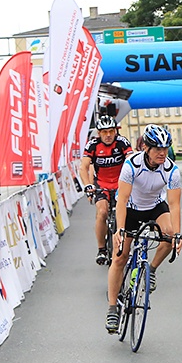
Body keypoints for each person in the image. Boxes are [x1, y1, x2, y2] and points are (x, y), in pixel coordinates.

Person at [105, 124, 182, 333]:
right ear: (146, 148)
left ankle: (152, 269)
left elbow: (174, 205)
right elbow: (122, 200)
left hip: (155, 207)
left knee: (168, 236)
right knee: (120, 256)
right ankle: (113, 308)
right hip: (130, 209)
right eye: (157, 148)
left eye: (165, 148)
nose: (162, 153)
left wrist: (177, 234)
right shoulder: (131, 165)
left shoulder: (171, 170)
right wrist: (120, 230)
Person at [81, 114, 133, 265]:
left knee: (125, 213)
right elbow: (83, 167)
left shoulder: (122, 142)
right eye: (104, 132)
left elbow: (130, 160)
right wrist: (87, 185)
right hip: (101, 184)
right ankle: (102, 249)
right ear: (99, 133)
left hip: (120, 183)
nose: (108, 135)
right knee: (102, 212)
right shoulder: (93, 145)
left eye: (111, 131)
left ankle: (127, 244)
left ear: (116, 131)